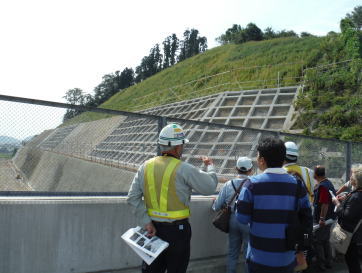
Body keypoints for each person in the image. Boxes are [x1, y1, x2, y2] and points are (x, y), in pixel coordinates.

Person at [127, 123, 218, 273]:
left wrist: (146, 223)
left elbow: (132, 198)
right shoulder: (184, 168)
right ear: (176, 148)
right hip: (177, 232)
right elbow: (209, 187)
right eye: (182, 145)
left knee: (152, 270)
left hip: (152, 231)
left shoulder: (145, 166)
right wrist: (211, 167)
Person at [236, 138, 312, 273]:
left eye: (257, 155)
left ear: (262, 160)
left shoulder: (251, 185)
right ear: (283, 159)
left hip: (258, 259)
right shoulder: (297, 185)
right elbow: (306, 216)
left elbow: (242, 218)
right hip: (287, 259)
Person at [212, 156, 253, 273]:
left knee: (232, 252)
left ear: (236, 168)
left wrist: (214, 204)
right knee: (247, 253)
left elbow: (217, 206)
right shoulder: (253, 184)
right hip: (248, 221)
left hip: (233, 219)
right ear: (250, 170)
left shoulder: (229, 184)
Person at [332, 164, 362, 273]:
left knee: (352, 261)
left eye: (352, 177)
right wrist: (346, 198)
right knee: (354, 261)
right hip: (357, 234)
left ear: (356, 180)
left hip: (352, 236)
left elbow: (346, 215)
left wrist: (337, 203)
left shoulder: (357, 197)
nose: (350, 178)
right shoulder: (357, 194)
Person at [313, 165, 337, 271]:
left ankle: (322, 264)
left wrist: (321, 218)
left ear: (316, 174)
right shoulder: (328, 183)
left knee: (318, 241)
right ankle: (329, 262)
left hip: (323, 219)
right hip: (330, 217)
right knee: (325, 240)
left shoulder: (323, 186)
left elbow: (324, 204)